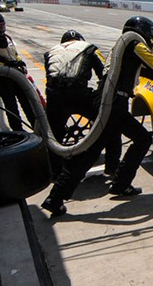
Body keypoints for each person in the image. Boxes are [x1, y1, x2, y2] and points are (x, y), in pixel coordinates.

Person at [41, 16, 153, 213]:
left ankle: (118, 183)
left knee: (127, 141)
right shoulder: (134, 44)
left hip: (109, 102)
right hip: (112, 103)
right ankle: (57, 197)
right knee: (98, 150)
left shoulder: (125, 49)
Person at [43, 29, 120, 177]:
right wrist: (101, 98)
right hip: (77, 92)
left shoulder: (50, 52)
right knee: (112, 123)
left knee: (53, 135)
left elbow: (51, 74)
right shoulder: (89, 47)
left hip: (54, 96)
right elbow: (105, 73)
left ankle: (55, 171)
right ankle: (112, 167)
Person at [0, 10, 34, 131]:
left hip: (15, 75)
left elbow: (14, 53)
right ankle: (17, 130)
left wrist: (19, 61)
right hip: (1, 78)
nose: (1, 29)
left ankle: (36, 125)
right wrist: (6, 66)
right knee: (11, 105)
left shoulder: (7, 38)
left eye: (3, 25)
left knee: (26, 102)